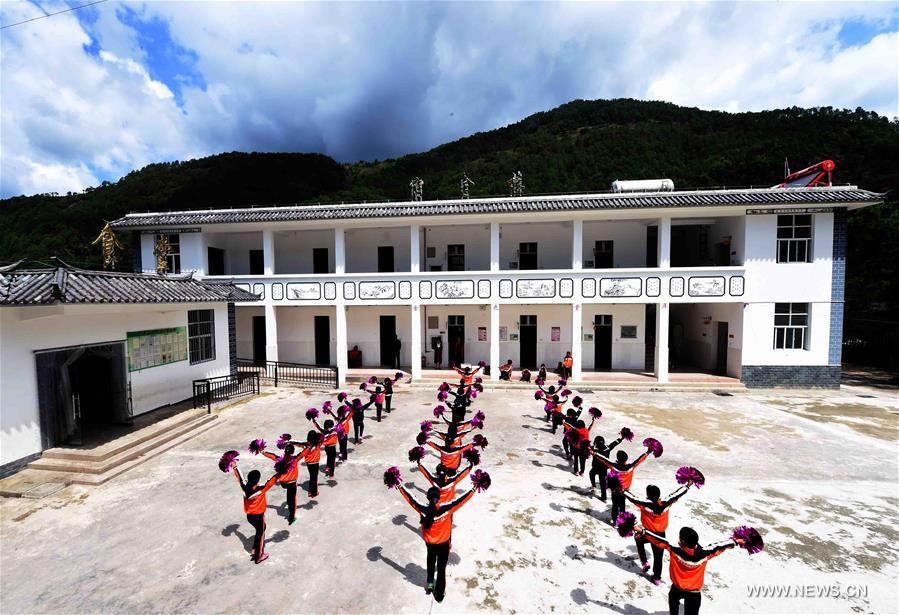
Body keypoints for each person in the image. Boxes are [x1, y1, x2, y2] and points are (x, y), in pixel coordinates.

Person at [396, 484, 478, 602]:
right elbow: (462, 499)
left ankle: (430, 586)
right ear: (438, 498)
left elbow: (410, 498)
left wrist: (398, 484)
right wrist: (474, 487)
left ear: (428, 498)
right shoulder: (446, 508)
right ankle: (439, 595)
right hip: (444, 545)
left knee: (430, 562)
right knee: (441, 568)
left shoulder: (422, 508)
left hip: (430, 545)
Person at [635, 526, 743, 615]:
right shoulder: (705, 554)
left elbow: (659, 540)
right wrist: (736, 541)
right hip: (694, 594)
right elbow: (720, 546)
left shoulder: (675, 550)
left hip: (676, 590)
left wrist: (642, 531)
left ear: (682, 541)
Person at [624, 483, 692, 585]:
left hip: (646, 533)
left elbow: (633, 498)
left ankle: (644, 562)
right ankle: (656, 579)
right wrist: (687, 486)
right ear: (659, 495)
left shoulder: (644, 504)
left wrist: (623, 491)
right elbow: (677, 494)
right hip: (660, 535)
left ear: (648, 495)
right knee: (658, 557)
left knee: (638, 539)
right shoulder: (666, 503)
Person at [233, 466, 279, 563]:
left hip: (250, 516)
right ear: (257, 480)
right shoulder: (261, 488)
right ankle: (259, 556)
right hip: (258, 516)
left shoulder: (244, 486)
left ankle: (255, 549)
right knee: (261, 533)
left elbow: (240, 477)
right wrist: (281, 471)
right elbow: (272, 481)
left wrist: (234, 466)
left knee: (261, 530)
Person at [591, 446, 651, 521]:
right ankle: (622, 521)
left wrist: (593, 453)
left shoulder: (614, 466)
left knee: (615, 506)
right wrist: (647, 452)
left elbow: (603, 459)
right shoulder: (630, 467)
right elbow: (639, 460)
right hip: (625, 491)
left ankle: (615, 522)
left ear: (618, 459)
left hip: (615, 491)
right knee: (622, 505)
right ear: (626, 459)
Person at [261, 443, 306, 525]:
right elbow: (303, 453)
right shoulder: (295, 459)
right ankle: (291, 518)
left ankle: (290, 509)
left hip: (283, 483)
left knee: (290, 498)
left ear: (285, 451)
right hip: (292, 483)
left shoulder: (279, 459)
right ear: (292, 452)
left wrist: (262, 452)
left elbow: (272, 456)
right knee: (291, 500)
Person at [588, 435, 623, 501]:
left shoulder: (594, 449)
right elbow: (614, 443)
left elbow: (587, 446)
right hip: (604, 468)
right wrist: (621, 438)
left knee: (591, 474)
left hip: (595, 467)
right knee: (602, 483)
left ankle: (593, 486)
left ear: (595, 442)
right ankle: (604, 498)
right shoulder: (607, 448)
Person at [302, 430, 323, 497]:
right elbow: (323, 437)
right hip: (315, 463)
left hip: (309, 463)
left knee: (312, 477)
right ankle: (313, 492)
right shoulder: (318, 443)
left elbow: (297, 443)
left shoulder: (306, 445)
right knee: (314, 477)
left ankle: (310, 491)